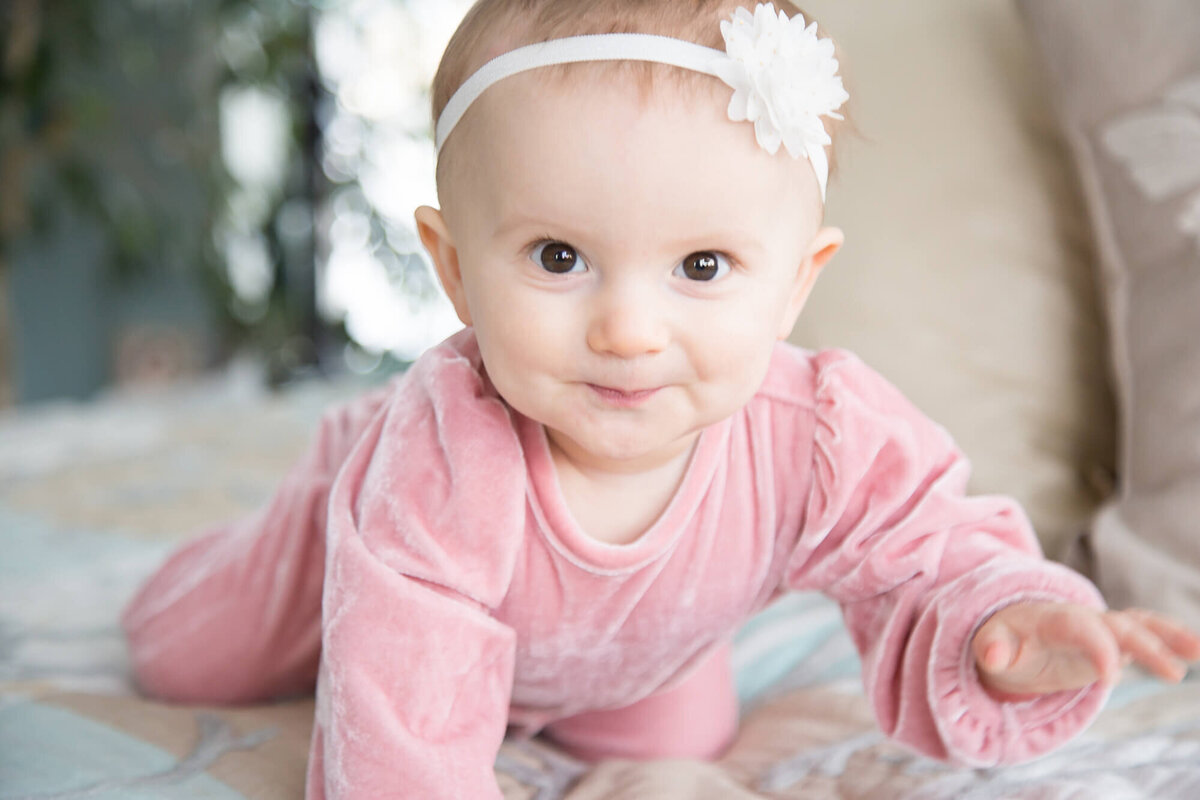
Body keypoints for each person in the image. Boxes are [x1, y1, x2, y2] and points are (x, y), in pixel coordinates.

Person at [121, 2, 1200, 798]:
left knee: (687, 746)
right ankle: (303, 514)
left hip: (633, 648)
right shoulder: (447, 451)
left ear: (796, 282)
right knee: (189, 656)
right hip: (382, 555)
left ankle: (595, 695)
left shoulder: (818, 432)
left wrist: (1006, 627)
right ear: (454, 271)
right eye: (558, 255)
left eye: (701, 267)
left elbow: (932, 557)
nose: (629, 331)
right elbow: (400, 738)